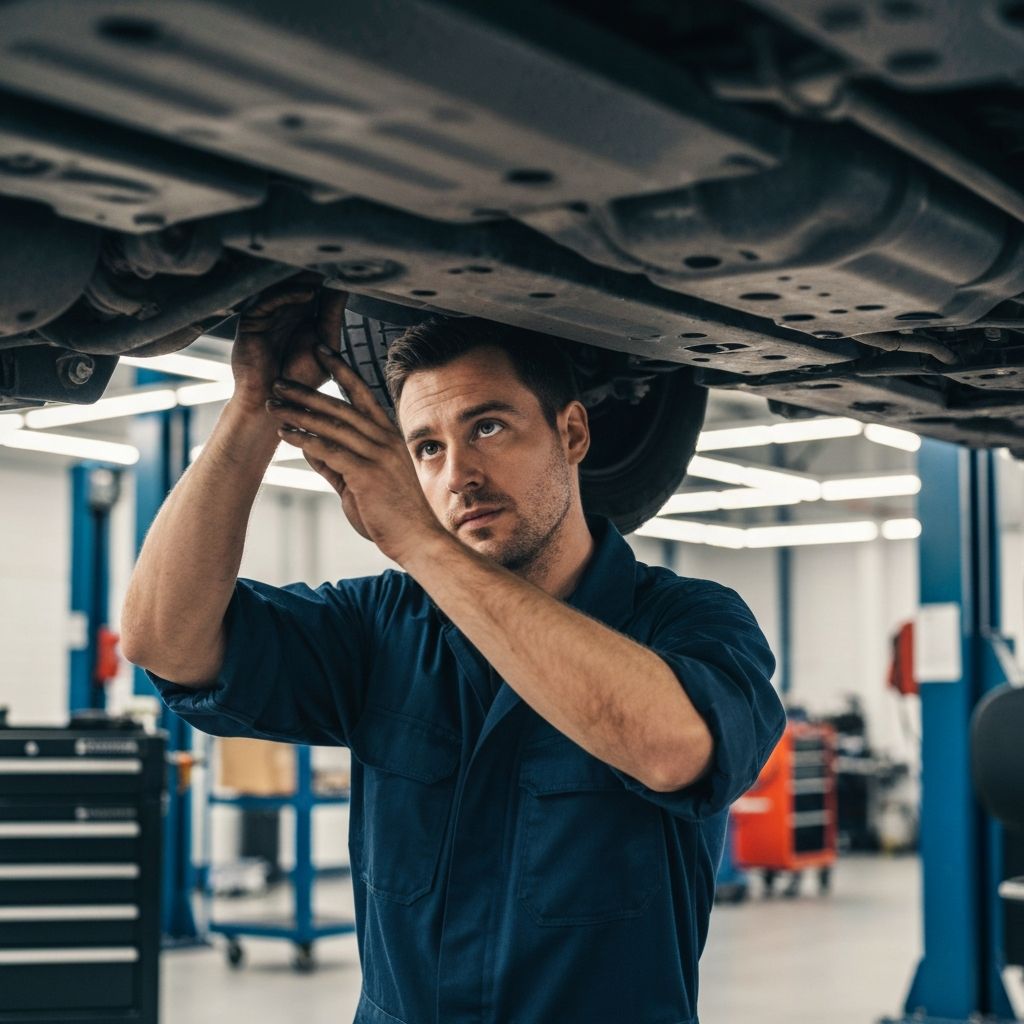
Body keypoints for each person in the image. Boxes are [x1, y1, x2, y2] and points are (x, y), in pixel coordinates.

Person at [122, 280, 786, 1024]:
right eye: (427, 449)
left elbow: (671, 750)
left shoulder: (688, 620)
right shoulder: (382, 625)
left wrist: (418, 541)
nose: (456, 475)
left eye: (489, 428)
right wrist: (253, 412)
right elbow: (164, 641)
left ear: (572, 433)